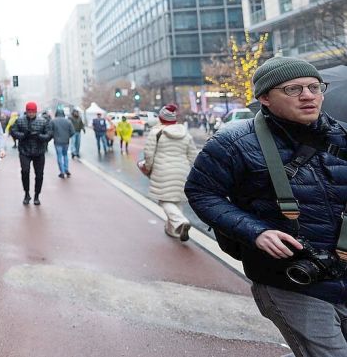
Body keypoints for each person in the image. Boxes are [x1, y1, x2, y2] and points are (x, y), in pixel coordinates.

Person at [185, 57, 347, 356]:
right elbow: (202, 192)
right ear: (265, 98)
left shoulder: (343, 134)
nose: (309, 95)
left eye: (314, 87)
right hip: (292, 281)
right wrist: (256, 232)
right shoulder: (232, 142)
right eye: (293, 89)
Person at [142, 104, 197, 241]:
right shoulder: (185, 133)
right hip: (182, 171)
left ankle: (180, 222)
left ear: (161, 118)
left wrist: (147, 168)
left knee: (164, 200)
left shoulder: (156, 132)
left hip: (162, 170)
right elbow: (193, 156)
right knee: (176, 199)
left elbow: (149, 155)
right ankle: (173, 231)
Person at [10, 102, 52, 205]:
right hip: (25, 150)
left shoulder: (43, 121)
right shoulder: (19, 120)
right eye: (29, 111)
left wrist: (39, 136)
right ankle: (26, 193)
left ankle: (37, 195)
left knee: (39, 174)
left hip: (39, 151)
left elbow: (49, 135)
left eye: (33, 112)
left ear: (36, 112)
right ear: (26, 111)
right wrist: (24, 135)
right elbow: (13, 132)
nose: (31, 114)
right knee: (25, 171)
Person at [51, 110, 75, 178]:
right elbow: (73, 132)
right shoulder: (68, 121)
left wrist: (54, 136)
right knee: (65, 155)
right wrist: (68, 136)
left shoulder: (53, 121)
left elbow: (50, 131)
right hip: (66, 141)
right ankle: (66, 169)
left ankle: (62, 171)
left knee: (59, 156)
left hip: (57, 142)